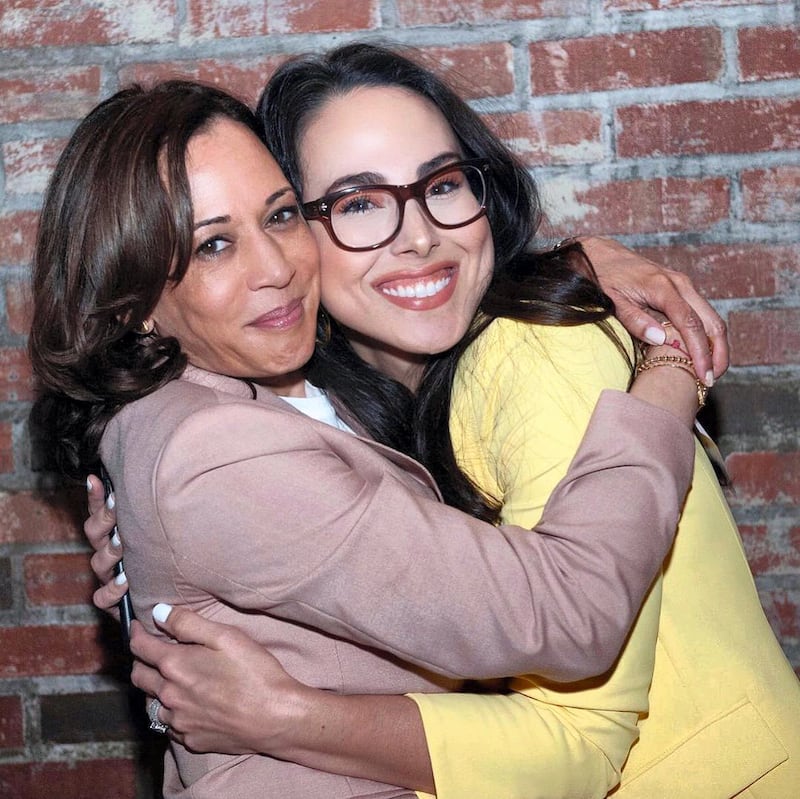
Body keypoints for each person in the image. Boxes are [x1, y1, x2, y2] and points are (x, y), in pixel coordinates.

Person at [87, 44, 800, 799]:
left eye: (444, 184)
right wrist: (167, 538)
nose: (419, 234)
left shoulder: (532, 349)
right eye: (358, 203)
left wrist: (287, 716)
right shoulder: (353, 401)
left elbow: (577, 736)